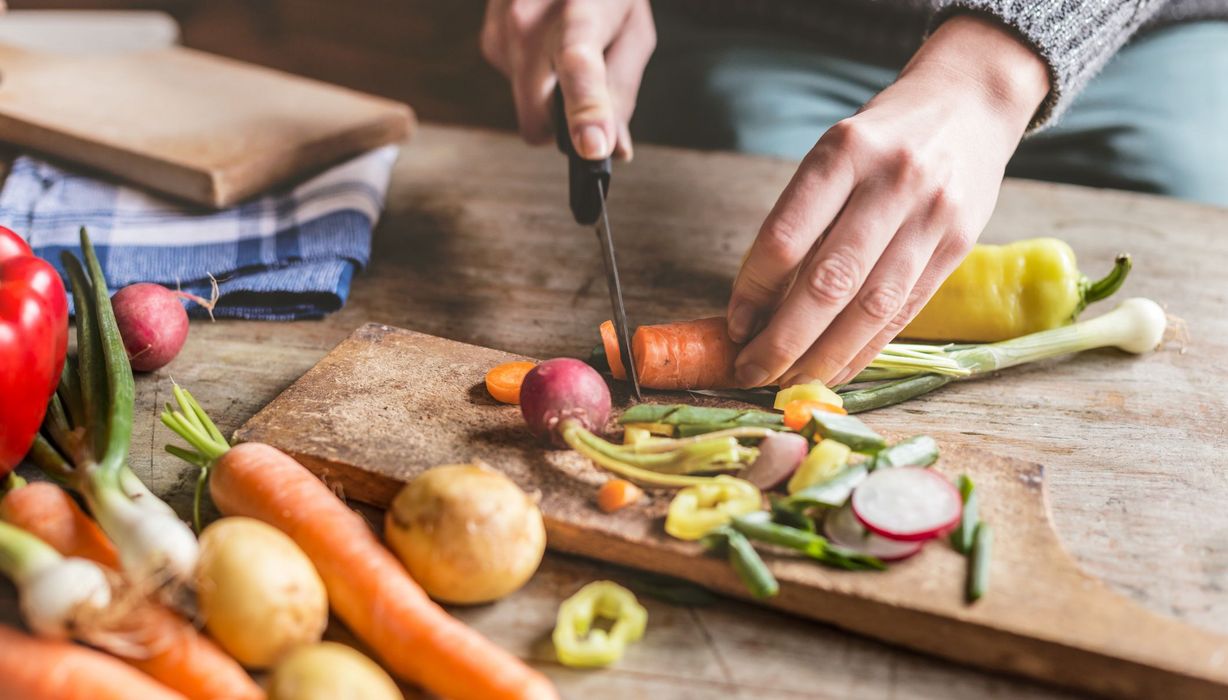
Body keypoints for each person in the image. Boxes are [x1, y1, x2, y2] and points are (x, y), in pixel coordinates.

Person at [479, 0, 1228, 388]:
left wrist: (990, 71)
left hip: (1139, 37)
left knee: (1190, 191)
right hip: (772, 35)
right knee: (775, 249)